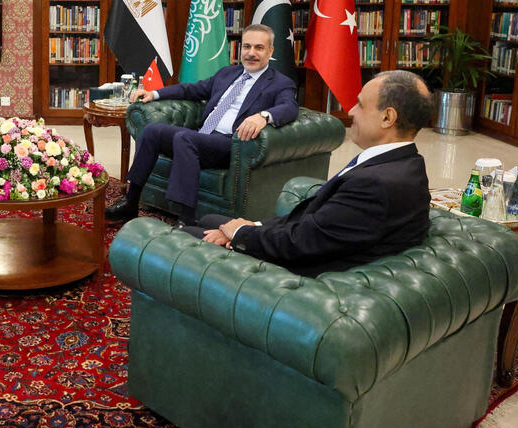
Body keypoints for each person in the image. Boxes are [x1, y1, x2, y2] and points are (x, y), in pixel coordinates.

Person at [185, 69, 433, 277]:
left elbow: (303, 243)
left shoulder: (374, 185)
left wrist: (242, 235)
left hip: (296, 273)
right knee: (210, 221)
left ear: (387, 117)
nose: (351, 112)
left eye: (360, 105)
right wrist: (254, 225)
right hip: (309, 245)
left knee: (183, 237)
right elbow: (319, 227)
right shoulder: (408, 164)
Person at [106, 24, 299, 226]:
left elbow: (290, 107)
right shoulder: (227, 73)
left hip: (230, 144)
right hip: (203, 136)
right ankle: (130, 201)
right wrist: (155, 94)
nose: (251, 53)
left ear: (270, 51)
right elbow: (193, 90)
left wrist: (264, 116)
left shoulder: (280, 83)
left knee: (185, 137)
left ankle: (186, 219)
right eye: (246, 46)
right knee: (153, 131)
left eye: (259, 48)